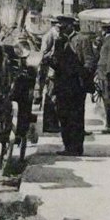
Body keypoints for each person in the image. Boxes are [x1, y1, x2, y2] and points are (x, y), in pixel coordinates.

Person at [47, 16, 89, 155]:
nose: (62, 28)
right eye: (60, 26)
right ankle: (67, 146)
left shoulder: (82, 39)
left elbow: (90, 61)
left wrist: (83, 75)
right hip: (62, 84)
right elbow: (56, 62)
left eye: (64, 26)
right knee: (63, 115)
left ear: (71, 25)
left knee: (76, 117)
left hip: (76, 85)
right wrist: (49, 61)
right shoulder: (59, 41)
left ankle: (77, 148)